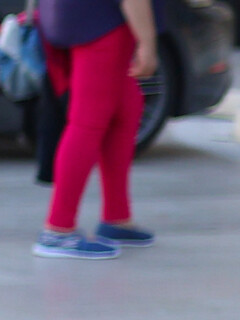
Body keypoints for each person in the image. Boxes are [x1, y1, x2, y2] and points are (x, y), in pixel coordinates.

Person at [32, 0, 163, 260]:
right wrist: (148, 42)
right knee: (88, 121)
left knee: (124, 112)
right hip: (103, 23)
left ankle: (116, 218)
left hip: (90, 19)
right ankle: (58, 229)